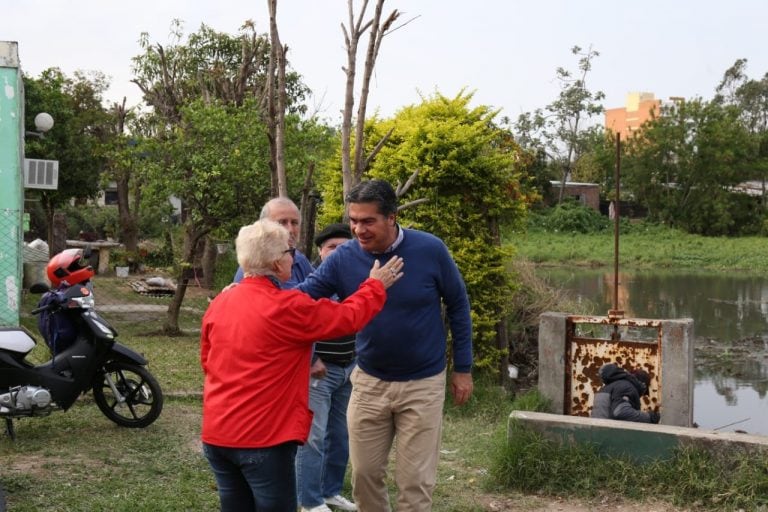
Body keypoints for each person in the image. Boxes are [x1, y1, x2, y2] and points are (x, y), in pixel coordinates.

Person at [201, 219, 404, 512]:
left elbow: (208, 362)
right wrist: (375, 286)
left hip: (217, 435)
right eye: (289, 251)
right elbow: (348, 317)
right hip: (263, 440)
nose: (293, 257)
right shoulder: (287, 307)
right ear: (276, 263)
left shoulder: (221, 301)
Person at [297, 180, 474, 511]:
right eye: (353, 221)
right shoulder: (344, 257)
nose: (358, 229)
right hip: (369, 382)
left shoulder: (430, 249)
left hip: (423, 383)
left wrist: (463, 368)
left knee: (415, 483)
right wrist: (254, 289)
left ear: (391, 217)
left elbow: (458, 306)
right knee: (364, 475)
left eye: (368, 221)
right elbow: (303, 298)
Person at [297, 223, 358, 512]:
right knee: (313, 437)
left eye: (345, 247)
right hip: (320, 371)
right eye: (332, 247)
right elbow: (292, 319)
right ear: (320, 252)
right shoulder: (312, 282)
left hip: (349, 369)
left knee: (341, 435)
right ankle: (310, 501)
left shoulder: (355, 278)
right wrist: (311, 359)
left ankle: (331, 491)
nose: (338, 253)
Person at [233, 197, 313, 288]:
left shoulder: (299, 259)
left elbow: (322, 288)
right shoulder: (254, 269)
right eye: (282, 222)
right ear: (264, 227)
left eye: (294, 223)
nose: (290, 229)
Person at [591, 363, 660, 424]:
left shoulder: (606, 387)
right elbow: (620, 412)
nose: (641, 395)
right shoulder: (627, 387)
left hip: (599, 433)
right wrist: (649, 417)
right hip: (611, 435)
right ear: (643, 385)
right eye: (643, 392)